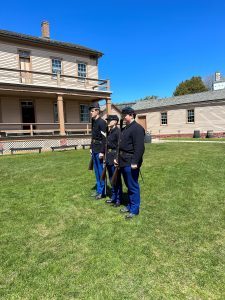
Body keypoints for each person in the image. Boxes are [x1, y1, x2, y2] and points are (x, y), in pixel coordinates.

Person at [114, 107, 145, 219]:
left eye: (125, 115)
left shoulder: (137, 128)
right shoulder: (125, 128)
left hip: (130, 161)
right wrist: (117, 158)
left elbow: (139, 148)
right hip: (122, 160)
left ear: (131, 115)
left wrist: (135, 162)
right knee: (128, 185)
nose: (123, 117)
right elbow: (120, 145)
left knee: (133, 186)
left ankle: (135, 209)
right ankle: (130, 205)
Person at [89, 102, 107, 199]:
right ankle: (98, 190)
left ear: (97, 111)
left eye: (92, 111)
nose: (91, 113)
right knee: (96, 171)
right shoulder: (93, 121)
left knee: (101, 171)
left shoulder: (102, 123)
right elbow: (93, 137)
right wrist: (91, 148)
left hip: (100, 149)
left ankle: (102, 192)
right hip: (94, 148)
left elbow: (105, 139)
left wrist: (102, 151)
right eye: (90, 111)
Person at [105, 115, 122, 207]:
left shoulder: (118, 132)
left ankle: (118, 199)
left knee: (116, 179)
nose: (108, 122)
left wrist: (116, 158)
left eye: (109, 120)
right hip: (109, 157)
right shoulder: (110, 131)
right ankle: (113, 197)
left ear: (115, 121)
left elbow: (119, 147)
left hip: (114, 157)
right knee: (111, 178)